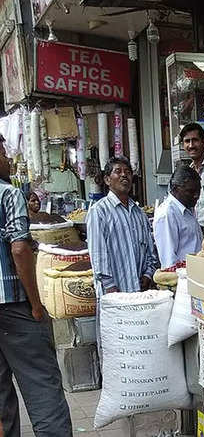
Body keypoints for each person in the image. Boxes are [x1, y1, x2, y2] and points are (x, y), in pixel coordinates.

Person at [0, 135, 72, 436]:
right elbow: (19, 249)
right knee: (42, 386)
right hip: (14, 304)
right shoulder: (9, 194)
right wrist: (35, 304)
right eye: (3, 150)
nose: (8, 157)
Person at [87, 157, 158, 295]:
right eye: (118, 171)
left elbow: (150, 250)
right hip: (114, 293)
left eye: (127, 172)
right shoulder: (99, 211)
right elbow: (98, 254)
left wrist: (148, 275)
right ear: (107, 180)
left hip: (139, 292)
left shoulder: (140, 214)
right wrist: (110, 287)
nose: (124, 175)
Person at [153, 165, 202, 270]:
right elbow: (169, 262)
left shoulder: (187, 208)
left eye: (199, 191)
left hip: (195, 273)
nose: (196, 196)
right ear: (175, 189)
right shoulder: (167, 214)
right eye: (191, 191)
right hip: (181, 279)